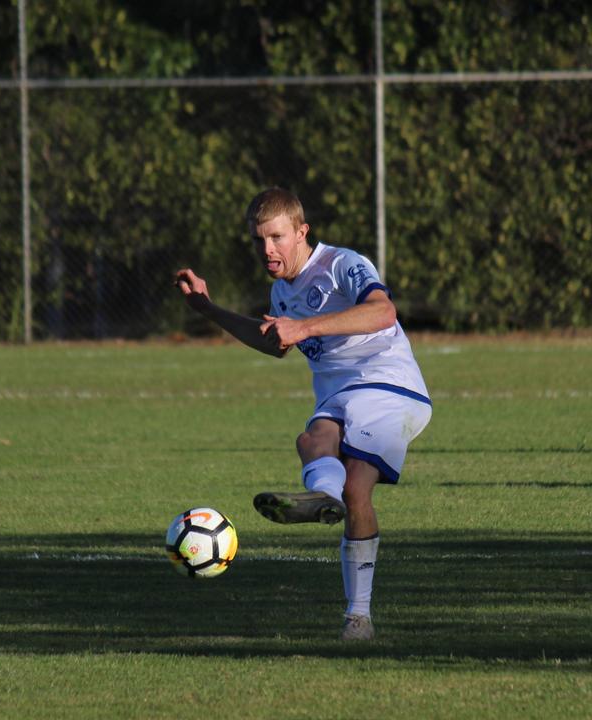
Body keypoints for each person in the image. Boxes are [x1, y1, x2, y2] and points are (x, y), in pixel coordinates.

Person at [175, 187, 432, 641]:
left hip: (388, 383)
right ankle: (323, 499)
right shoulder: (280, 291)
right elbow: (270, 341)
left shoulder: (341, 265)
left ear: (301, 231)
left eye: (276, 237)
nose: (267, 250)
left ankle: (358, 616)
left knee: (357, 488)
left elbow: (383, 311)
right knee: (311, 442)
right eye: (259, 240)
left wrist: (305, 326)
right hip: (336, 395)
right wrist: (208, 310)